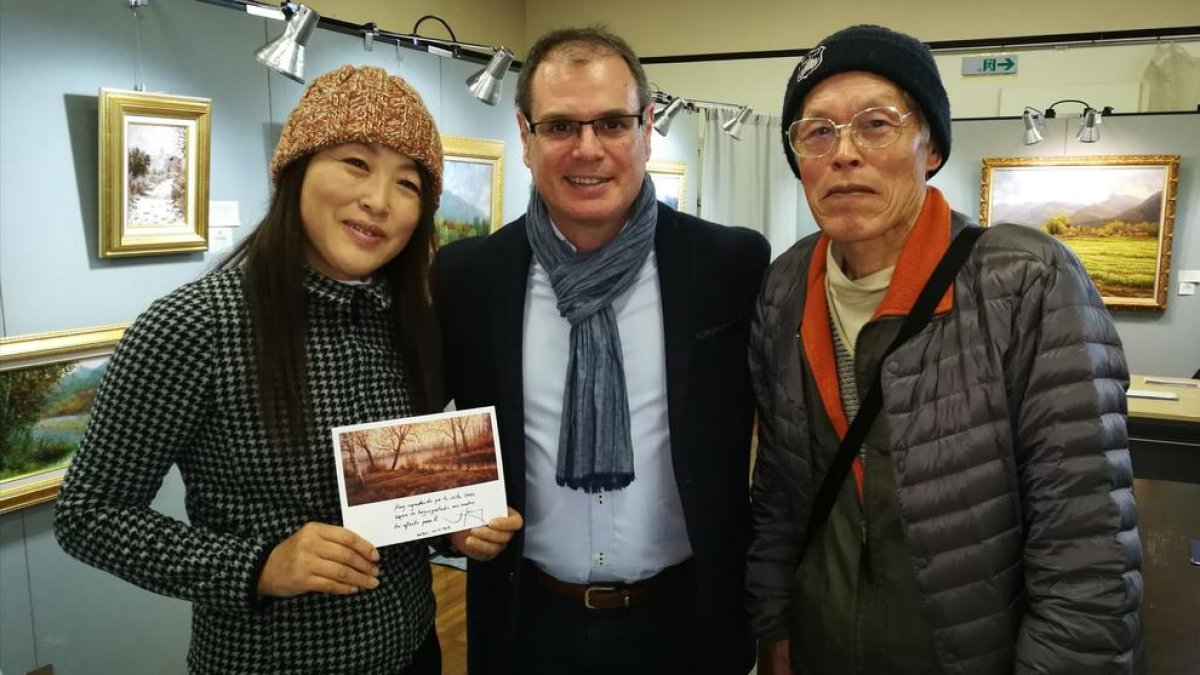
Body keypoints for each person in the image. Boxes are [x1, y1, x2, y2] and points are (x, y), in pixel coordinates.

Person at [54, 65, 521, 675]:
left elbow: (391, 499)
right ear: (296, 170)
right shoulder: (197, 325)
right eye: (356, 163)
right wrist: (259, 567)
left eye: (408, 184)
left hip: (412, 652)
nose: (378, 201)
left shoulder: (410, 321)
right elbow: (87, 515)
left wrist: (451, 528)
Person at [746, 24, 1142, 675]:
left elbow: (1086, 546)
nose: (843, 152)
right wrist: (773, 622)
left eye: (876, 124)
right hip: (823, 644)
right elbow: (780, 496)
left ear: (929, 145)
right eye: (817, 131)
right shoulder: (785, 287)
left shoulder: (1024, 281)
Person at [435, 26, 769, 675]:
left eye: (612, 123)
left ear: (647, 127)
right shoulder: (469, 276)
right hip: (528, 623)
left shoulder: (729, 265)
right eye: (561, 126)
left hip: (687, 623)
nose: (588, 149)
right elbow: (424, 413)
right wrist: (451, 517)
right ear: (525, 136)